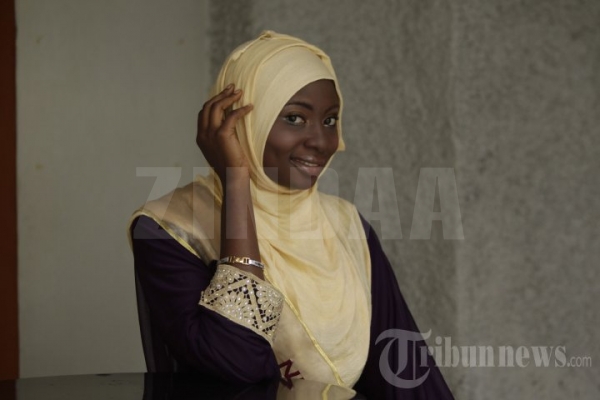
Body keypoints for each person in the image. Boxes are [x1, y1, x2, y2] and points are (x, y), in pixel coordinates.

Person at [128, 31, 454, 399]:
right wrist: (236, 181)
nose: (321, 142)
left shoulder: (346, 226)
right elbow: (238, 360)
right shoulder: (169, 228)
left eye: (330, 121)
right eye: (295, 118)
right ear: (239, 123)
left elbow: (404, 373)